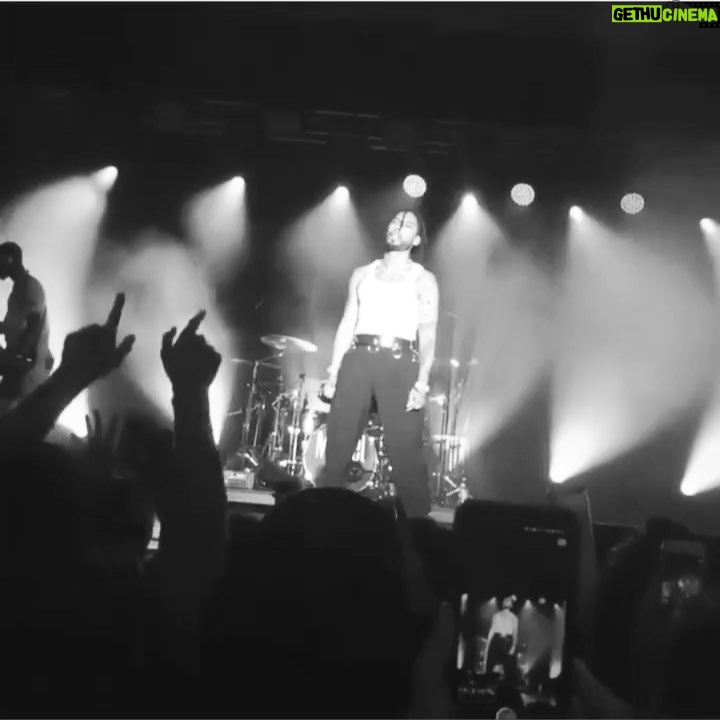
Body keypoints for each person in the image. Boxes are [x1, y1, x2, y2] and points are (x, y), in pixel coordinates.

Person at [319, 210, 439, 517]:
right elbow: (348, 322)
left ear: (416, 240)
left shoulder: (423, 280)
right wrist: (333, 371)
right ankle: (323, 518)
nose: (398, 226)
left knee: (406, 451)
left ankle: (418, 526)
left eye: (407, 224)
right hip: (358, 357)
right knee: (338, 443)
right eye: (395, 221)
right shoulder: (362, 274)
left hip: (400, 361)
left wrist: (422, 382)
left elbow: (428, 334)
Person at [0, 241, 53, 411]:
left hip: (27, 368)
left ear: (9, 260)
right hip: (21, 364)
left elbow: (34, 325)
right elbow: (15, 326)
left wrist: (18, 356)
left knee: (7, 409)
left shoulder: (29, 287)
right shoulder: (20, 288)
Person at [486, 596, 519, 678]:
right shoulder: (496, 616)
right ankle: (488, 681)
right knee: (490, 665)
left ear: (511, 605)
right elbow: (492, 630)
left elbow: (515, 633)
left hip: (507, 642)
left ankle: (509, 682)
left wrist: (513, 647)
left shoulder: (514, 618)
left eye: (509, 601)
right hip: (496, 640)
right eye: (505, 600)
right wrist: (487, 644)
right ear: (502, 603)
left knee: (510, 669)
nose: (507, 601)